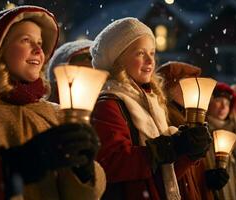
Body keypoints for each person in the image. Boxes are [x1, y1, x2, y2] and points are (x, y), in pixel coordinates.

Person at [0, 2, 103, 199]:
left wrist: (83, 171)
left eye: (40, 44)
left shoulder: (56, 113)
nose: (37, 50)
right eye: (26, 40)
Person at [90, 17, 211, 200]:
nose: (150, 60)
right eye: (140, 53)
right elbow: (112, 163)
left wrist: (188, 153)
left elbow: (163, 176)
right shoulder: (108, 104)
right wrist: (167, 147)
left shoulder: (152, 102)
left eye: (152, 53)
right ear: (119, 60)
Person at [156, 61, 215, 200]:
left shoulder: (191, 117)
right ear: (169, 87)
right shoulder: (164, 116)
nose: (194, 89)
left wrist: (208, 178)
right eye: (186, 84)